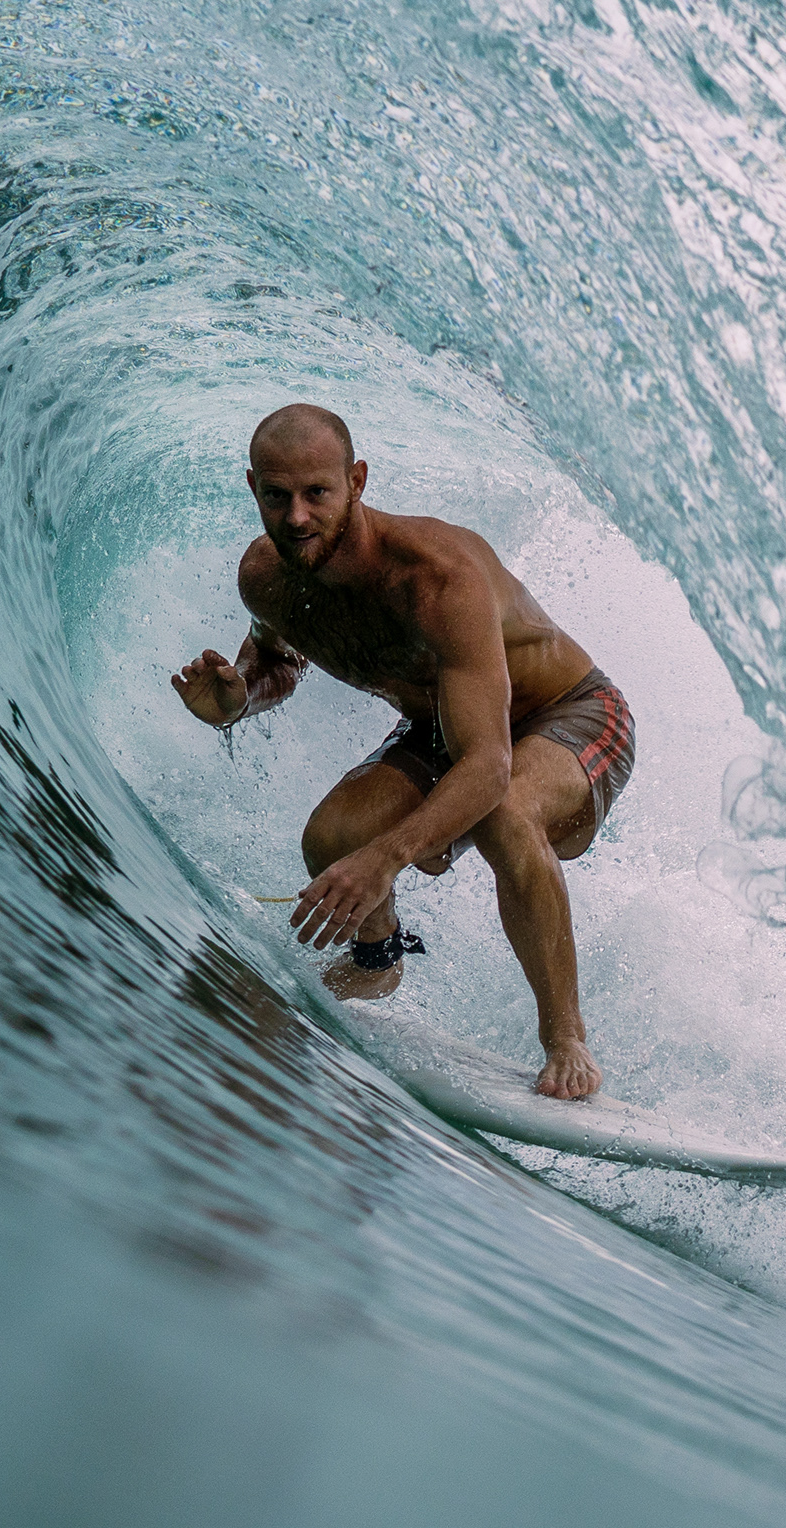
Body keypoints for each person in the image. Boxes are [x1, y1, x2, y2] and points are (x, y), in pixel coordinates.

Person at [171, 404, 635, 1100]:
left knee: (503, 812)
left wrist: (386, 859)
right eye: (278, 496)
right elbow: (277, 662)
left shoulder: (436, 578)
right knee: (334, 838)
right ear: (253, 489)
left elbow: (488, 767)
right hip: (448, 726)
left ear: (356, 481)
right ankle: (377, 958)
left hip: (568, 713)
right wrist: (239, 699)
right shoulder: (267, 577)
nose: (296, 517)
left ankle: (564, 1036)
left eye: (317, 494)